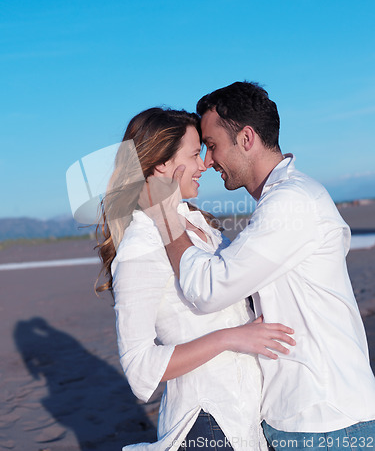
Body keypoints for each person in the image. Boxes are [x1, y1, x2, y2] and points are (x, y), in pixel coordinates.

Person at [140, 84, 375, 450]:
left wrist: (163, 216)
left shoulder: (292, 204)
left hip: (326, 422)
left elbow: (209, 289)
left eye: (213, 145)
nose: (208, 160)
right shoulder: (283, 202)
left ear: (246, 138)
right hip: (302, 418)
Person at [95, 107, 295, 451]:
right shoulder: (141, 245)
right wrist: (230, 338)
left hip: (248, 418)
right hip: (207, 425)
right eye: (194, 154)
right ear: (162, 165)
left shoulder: (202, 226)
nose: (205, 165)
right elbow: (140, 370)